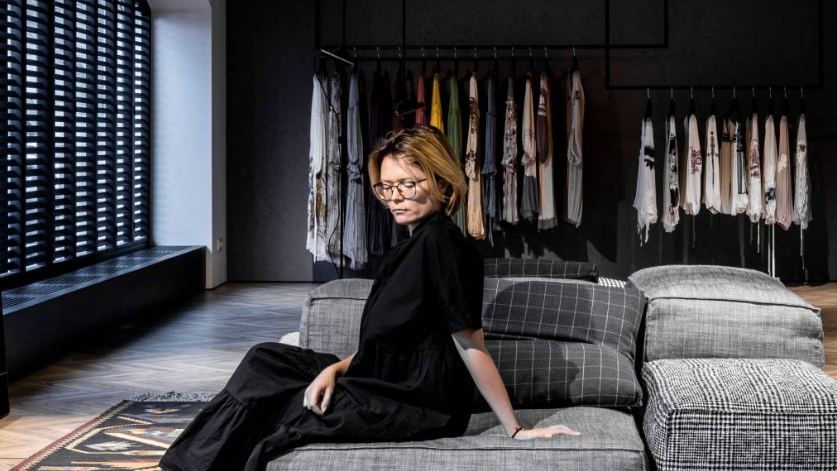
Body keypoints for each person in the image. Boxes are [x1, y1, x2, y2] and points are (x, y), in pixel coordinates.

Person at [159, 126, 580, 471]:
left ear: (440, 180)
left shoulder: (444, 246)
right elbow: (388, 344)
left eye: (407, 185)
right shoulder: (409, 247)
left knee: (282, 404)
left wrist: (515, 429)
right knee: (265, 361)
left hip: (414, 401)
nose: (395, 197)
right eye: (386, 187)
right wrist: (335, 370)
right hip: (377, 378)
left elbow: (471, 344)